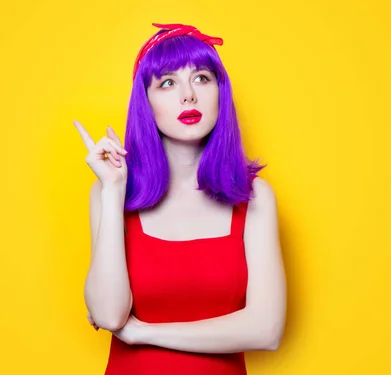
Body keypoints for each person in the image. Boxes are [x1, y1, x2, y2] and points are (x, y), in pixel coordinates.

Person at [73, 23, 287, 374]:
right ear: (145, 101)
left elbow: (266, 330)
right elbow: (110, 315)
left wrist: (142, 332)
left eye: (202, 78)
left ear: (220, 92)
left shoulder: (255, 197)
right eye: (168, 83)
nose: (188, 95)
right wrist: (113, 191)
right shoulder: (109, 192)